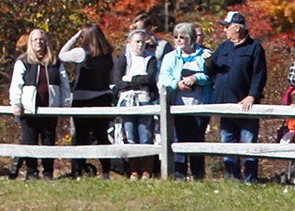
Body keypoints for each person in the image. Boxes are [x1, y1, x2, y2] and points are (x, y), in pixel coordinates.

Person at [208, 11, 267, 183]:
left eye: (227, 26)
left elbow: (260, 75)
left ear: (237, 28)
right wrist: (209, 64)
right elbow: (212, 71)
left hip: (246, 105)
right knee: (228, 142)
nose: (224, 30)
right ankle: (232, 178)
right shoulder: (223, 47)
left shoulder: (254, 47)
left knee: (248, 144)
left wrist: (252, 96)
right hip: (225, 104)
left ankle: (250, 180)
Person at [9, 28, 70, 180]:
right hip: (29, 110)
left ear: (46, 42)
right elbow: (16, 84)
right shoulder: (23, 61)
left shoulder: (55, 62)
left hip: (50, 109)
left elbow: (64, 85)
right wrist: (16, 104)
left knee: (48, 140)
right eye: (35, 39)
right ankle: (32, 172)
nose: (38, 42)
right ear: (30, 42)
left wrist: (64, 105)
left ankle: (48, 172)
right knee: (30, 140)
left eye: (41, 39)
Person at [59, 24, 114, 179]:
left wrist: (74, 37)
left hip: (83, 98)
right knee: (102, 136)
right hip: (103, 97)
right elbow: (113, 76)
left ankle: (79, 170)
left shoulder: (81, 53)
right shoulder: (109, 56)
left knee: (81, 136)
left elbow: (62, 55)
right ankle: (105, 171)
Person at [159, 22, 213, 181]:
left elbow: (211, 76)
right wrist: (177, 83)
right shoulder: (170, 57)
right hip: (178, 107)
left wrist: (196, 78)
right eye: (176, 37)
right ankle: (179, 175)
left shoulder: (205, 54)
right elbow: (164, 77)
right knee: (179, 140)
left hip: (200, 106)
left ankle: (198, 176)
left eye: (182, 37)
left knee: (197, 141)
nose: (179, 40)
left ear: (191, 38)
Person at [115, 29, 159, 179]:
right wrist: (135, 80)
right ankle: (133, 171)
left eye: (142, 42)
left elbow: (150, 79)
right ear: (129, 43)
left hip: (144, 99)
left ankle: (147, 171)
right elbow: (118, 82)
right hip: (127, 101)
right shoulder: (124, 60)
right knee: (130, 134)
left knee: (145, 134)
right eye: (137, 42)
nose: (140, 45)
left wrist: (130, 80)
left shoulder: (151, 59)